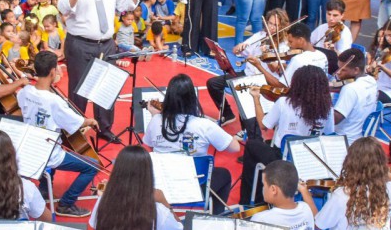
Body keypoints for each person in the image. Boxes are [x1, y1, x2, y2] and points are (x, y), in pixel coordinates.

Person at [58, 0, 144, 143]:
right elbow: (64, 8)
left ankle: (104, 128)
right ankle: (74, 130)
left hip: (106, 44)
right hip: (80, 44)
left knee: (106, 89)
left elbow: (128, 5)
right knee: (78, 90)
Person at [143, 74, 240, 213]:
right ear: (192, 99)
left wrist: (155, 117)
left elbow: (149, 147)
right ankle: (216, 216)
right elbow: (235, 148)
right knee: (224, 174)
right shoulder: (204, 125)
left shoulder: (156, 120)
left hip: (162, 184)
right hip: (194, 185)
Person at [17, 50, 98, 218]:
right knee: (92, 166)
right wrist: (90, 121)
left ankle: (44, 190)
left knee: (55, 141)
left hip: (28, 147)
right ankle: (67, 204)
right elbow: (76, 123)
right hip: (47, 153)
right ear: (53, 72)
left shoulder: (24, 92)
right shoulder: (55, 101)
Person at [239, 66, 334, 206]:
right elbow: (328, 133)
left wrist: (256, 98)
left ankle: (251, 200)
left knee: (252, 145)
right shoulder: (327, 109)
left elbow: (263, 125)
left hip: (284, 159)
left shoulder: (284, 102)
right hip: (310, 160)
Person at [332, 48, 378, 142]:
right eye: (338, 68)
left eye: (343, 70)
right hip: (359, 136)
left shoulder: (350, 89)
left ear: (356, 70)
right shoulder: (371, 81)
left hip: (343, 139)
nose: (338, 72)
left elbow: (334, 120)